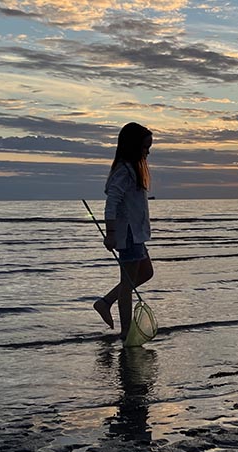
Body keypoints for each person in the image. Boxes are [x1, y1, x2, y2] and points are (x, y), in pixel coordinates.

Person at [94, 122, 154, 339]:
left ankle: (105, 302)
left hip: (136, 234)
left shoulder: (134, 170)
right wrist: (110, 234)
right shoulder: (124, 171)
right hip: (127, 234)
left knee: (146, 273)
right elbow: (111, 203)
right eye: (145, 147)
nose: (148, 152)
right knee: (128, 285)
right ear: (133, 146)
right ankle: (126, 332)